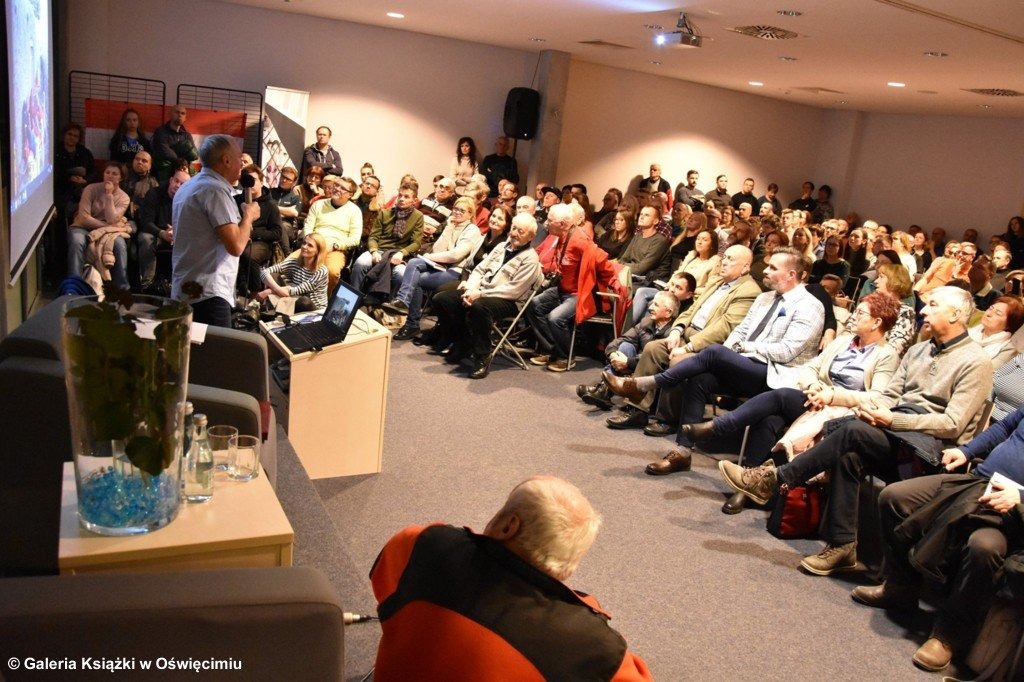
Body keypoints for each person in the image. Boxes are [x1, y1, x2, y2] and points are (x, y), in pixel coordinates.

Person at [720, 287, 994, 577]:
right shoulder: (919, 350)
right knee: (847, 451)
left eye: (933, 305)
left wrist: (891, 420)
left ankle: (774, 479)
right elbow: (889, 396)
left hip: (931, 450)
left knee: (850, 432)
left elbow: (952, 423)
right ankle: (842, 546)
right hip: (895, 436)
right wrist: (874, 411)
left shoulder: (976, 361)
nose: (923, 310)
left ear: (955, 314)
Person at [369, 476, 652, 681]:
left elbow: (383, 582)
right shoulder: (595, 647)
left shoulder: (427, 544)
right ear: (569, 569)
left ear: (508, 526)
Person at [680, 293, 901, 513]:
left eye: (860, 313)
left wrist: (832, 395)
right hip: (816, 398)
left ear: (877, 322)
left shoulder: (886, 355)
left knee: (780, 397)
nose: (853, 316)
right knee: (770, 418)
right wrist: (814, 385)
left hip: (843, 412)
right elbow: (811, 368)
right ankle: (748, 484)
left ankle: (720, 431)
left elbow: (877, 397)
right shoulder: (843, 342)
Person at [851, 407, 1024, 672]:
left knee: (983, 547)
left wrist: (1020, 497)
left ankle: (948, 635)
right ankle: (900, 588)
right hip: (978, 482)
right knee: (894, 498)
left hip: (1014, 515)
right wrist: (966, 451)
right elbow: (1004, 427)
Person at [605, 247, 824, 452]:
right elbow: (741, 330)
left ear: (791, 274)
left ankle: (645, 383)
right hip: (746, 363)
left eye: (773, 268)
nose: (765, 270)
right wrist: (729, 353)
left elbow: (786, 352)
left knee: (714, 352)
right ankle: (682, 451)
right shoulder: (764, 298)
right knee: (699, 379)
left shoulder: (810, 306)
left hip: (776, 374)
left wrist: (740, 348)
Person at [604, 245, 761, 432]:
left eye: (731, 259)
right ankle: (637, 410)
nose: (724, 262)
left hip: (709, 347)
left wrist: (689, 347)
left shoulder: (749, 291)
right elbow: (691, 310)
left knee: (678, 360)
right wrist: (676, 330)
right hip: (687, 334)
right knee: (653, 348)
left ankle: (667, 420)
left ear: (745, 267)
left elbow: (724, 328)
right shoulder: (717, 281)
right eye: (724, 257)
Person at [430, 213, 540, 379]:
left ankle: (482, 356)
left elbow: (514, 290)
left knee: (479, 307)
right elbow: (480, 269)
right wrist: (470, 287)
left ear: (531, 236)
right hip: (481, 291)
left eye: (521, 231)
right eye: (513, 228)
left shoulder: (530, 259)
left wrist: (480, 293)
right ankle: (463, 341)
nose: (514, 233)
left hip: (509, 301)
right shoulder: (501, 246)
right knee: (442, 299)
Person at [171, 134, 259, 327]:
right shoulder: (215, 190)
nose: (242, 164)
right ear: (226, 160)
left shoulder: (188, 186)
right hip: (209, 292)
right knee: (216, 347)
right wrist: (248, 216)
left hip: (186, 287)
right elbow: (236, 246)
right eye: (239, 158)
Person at [384, 196, 484, 341]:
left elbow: (455, 256)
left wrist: (429, 257)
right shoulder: (451, 224)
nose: (457, 212)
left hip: (456, 271)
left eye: (462, 210)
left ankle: (411, 323)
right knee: (413, 262)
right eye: (455, 209)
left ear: (470, 214)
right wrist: (448, 228)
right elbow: (438, 249)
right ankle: (403, 301)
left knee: (417, 279)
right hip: (441, 265)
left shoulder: (472, 230)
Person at [579, 283, 687, 410]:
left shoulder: (672, 335)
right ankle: (604, 389)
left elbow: (657, 361)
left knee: (633, 351)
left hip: (651, 375)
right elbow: (620, 340)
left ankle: (605, 390)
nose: (650, 308)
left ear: (668, 312)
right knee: (626, 345)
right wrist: (613, 353)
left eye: (656, 305)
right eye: (652, 303)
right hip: (634, 365)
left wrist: (627, 362)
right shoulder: (646, 322)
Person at [351, 183, 424, 300]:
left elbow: (416, 243)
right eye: (400, 195)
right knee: (360, 263)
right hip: (380, 250)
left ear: (414, 200)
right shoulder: (385, 213)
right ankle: (354, 298)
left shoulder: (418, 216)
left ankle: (385, 304)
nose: (401, 199)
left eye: (406, 197)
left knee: (400, 274)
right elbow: (373, 237)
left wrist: (402, 253)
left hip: (399, 253)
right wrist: (374, 251)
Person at [68, 161, 132, 289]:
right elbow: (84, 218)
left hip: (108, 232)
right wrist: (106, 226)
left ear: (121, 178)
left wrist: (109, 196)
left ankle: (122, 288)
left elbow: (111, 219)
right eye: (107, 172)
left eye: (114, 174)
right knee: (77, 241)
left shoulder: (124, 198)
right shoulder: (90, 189)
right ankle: (74, 286)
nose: (110, 176)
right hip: (83, 227)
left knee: (120, 245)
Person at [299, 175, 360, 294]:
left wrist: (335, 245)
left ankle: (322, 300)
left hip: (335, 249)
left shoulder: (354, 211)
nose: (337, 189)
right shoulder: (318, 204)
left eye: (342, 188)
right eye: (336, 185)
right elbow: (308, 226)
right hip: (312, 244)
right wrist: (312, 243)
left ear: (350, 195)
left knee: (331, 272)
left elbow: (355, 239)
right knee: (288, 264)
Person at [136, 169, 189, 291]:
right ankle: (147, 284)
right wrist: (162, 233)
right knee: (146, 239)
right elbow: (146, 222)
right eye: (176, 181)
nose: (177, 185)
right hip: (155, 232)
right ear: (170, 180)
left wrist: (176, 231)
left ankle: (183, 284)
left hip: (176, 234)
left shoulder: (188, 199)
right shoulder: (154, 193)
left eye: (182, 184)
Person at [235, 163, 283, 296]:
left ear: (261, 182)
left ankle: (255, 293)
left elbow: (277, 232)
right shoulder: (235, 201)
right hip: (238, 238)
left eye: (254, 180)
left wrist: (253, 233)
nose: (250, 184)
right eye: (247, 180)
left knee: (248, 254)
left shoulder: (271, 205)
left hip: (261, 243)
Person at [256, 233, 329, 313]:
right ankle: (272, 309)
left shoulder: (322, 271)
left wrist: (269, 291)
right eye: (304, 243)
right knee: (273, 275)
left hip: (314, 307)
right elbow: (264, 272)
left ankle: (275, 309)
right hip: (294, 297)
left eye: (310, 245)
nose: (304, 247)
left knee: (304, 301)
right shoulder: (294, 262)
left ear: (318, 251)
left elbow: (298, 290)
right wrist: (277, 289)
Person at [967, 295, 1024, 369]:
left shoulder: (1008, 349)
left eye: (998, 313)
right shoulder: (970, 330)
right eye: (990, 308)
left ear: (1009, 324)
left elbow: (987, 371)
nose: (988, 314)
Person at [151, 104, 198, 182]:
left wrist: (177, 157)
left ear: (185, 118)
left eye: (183, 113)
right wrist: (181, 159)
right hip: (165, 176)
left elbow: (194, 155)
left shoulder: (187, 135)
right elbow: (164, 151)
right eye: (177, 112)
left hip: (183, 176)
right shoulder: (160, 132)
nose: (180, 115)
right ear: (170, 114)